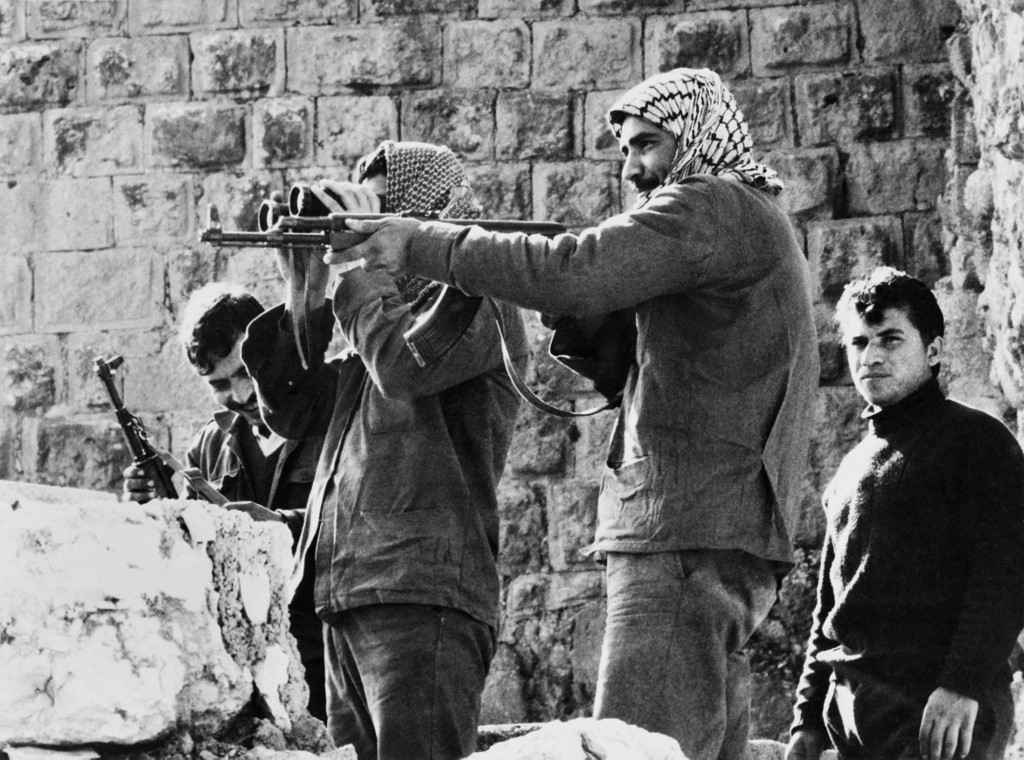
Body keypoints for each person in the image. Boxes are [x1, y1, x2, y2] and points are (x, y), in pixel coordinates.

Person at [337, 68, 819, 760]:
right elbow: (627, 338)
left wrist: (415, 243)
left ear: (699, 136)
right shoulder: (747, 219)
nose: (633, 169)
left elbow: (575, 267)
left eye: (647, 146)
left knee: (631, 751)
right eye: (625, 150)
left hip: (680, 530)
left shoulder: (710, 203)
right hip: (713, 530)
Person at [240, 141, 528, 760]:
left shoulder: (477, 302)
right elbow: (294, 412)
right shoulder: (375, 316)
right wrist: (305, 293)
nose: (364, 229)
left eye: (380, 209)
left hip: (423, 594)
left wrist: (356, 274)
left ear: (422, 213)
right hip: (348, 592)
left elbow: (402, 368)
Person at [786, 267, 1024, 760]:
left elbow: (1007, 571)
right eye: (859, 342)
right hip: (852, 716)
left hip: (940, 714)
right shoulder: (850, 469)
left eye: (890, 339)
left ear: (933, 351)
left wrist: (963, 685)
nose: (871, 356)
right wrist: (807, 719)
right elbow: (829, 606)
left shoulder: (976, 441)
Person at [122, 283, 327, 722]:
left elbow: (360, 522)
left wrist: (276, 526)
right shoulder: (208, 448)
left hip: (323, 657)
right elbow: (196, 568)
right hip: (238, 673)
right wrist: (158, 515)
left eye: (246, 373)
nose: (241, 395)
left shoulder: (328, 420)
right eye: (219, 383)